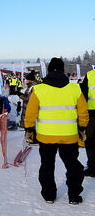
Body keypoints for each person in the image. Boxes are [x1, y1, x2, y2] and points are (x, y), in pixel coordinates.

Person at [24, 57, 88, 205]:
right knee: (73, 166)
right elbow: (83, 112)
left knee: (47, 165)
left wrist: (29, 129)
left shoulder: (39, 89)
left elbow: (31, 113)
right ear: (63, 70)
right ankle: (73, 195)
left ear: (49, 70)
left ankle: (49, 196)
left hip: (46, 137)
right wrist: (82, 128)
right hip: (69, 136)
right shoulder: (75, 88)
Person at [80, 67, 95, 177]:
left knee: (90, 139)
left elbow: (83, 95)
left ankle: (93, 167)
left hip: (92, 113)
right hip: (91, 113)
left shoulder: (90, 75)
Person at [19, 70, 39, 144]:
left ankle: (32, 139)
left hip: (29, 108)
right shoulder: (31, 86)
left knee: (29, 124)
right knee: (28, 125)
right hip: (27, 108)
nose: (26, 81)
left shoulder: (33, 87)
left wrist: (19, 94)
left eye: (27, 79)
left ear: (30, 80)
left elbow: (29, 99)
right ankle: (29, 138)